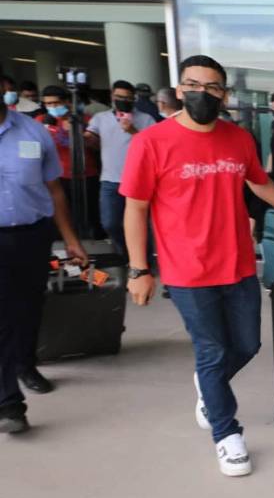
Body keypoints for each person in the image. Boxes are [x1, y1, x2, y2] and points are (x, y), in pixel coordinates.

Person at [120, 55, 274, 477]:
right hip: (187, 270)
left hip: (238, 263)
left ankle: (208, 386)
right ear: (179, 89)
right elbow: (136, 208)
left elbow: (258, 180)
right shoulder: (151, 142)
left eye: (211, 88)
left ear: (224, 95)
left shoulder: (237, 138)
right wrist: (139, 269)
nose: (201, 94)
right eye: (193, 85)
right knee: (212, 350)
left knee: (247, 345)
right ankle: (227, 435)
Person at [0, 91, 89, 433]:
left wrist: (71, 240)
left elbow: (54, 190)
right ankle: (9, 404)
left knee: (29, 307)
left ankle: (25, 364)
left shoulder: (35, 132)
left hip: (32, 236)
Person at [85, 80, 157, 257]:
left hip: (139, 180)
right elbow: (90, 139)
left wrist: (132, 130)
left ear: (134, 99)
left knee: (141, 223)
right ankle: (126, 254)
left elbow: (155, 146)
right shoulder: (100, 118)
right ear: (112, 96)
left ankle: (145, 259)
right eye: (119, 97)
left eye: (127, 98)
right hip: (110, 179)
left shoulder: (146, 119)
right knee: (110, 223)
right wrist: (80, 135)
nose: (123, 101)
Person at [40, 85, 103, 239]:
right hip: (57, 177)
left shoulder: (85, 119)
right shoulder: (41, 121)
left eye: (56, 103)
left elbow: (98, 146)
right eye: (48, 104)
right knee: (62, 214)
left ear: (67, 102)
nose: (52, 107)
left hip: (86, 174)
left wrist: (77, 133)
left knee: (91, 215)